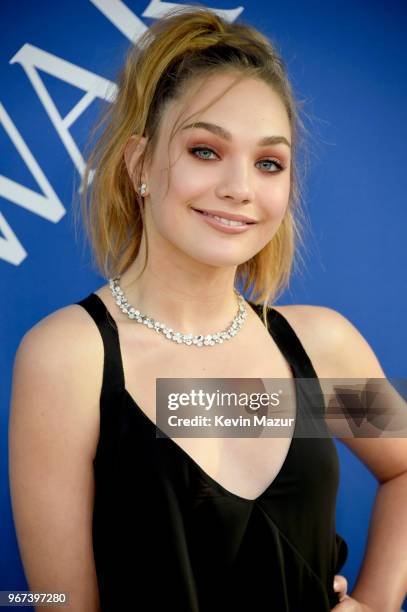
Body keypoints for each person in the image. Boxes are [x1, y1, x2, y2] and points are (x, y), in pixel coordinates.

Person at [8, 6, 407, 612]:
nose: (240, 187)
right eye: (204, 151)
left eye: (268, 163)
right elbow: (59, 603)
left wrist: (377, 602)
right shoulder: (71, 357)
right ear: (139, 163)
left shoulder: (317, 349)